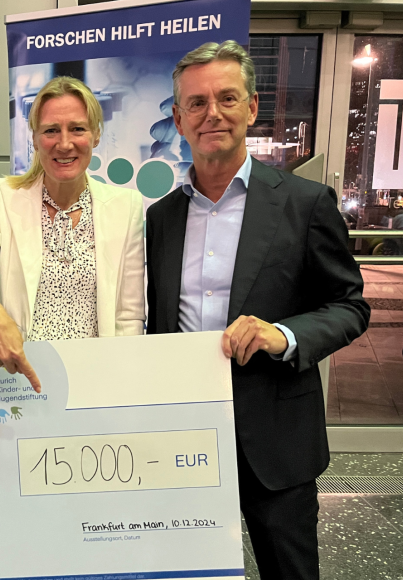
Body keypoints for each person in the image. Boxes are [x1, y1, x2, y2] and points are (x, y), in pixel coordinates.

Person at [145, 41, 370, 579]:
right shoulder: (160, 218)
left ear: (250, 108)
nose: (212, 113)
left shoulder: (304, 203)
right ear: (178, 120)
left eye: (227, 98)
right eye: (196, 103)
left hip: (277, 440)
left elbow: (349, 306)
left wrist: (283, 335)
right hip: (184, 439)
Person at [0, 76, 145, 389]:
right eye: (51, 130)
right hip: (22, 383)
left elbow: (128, 317)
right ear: (35, 139)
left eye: (77, 129)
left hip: (96, 382)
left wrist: (121, 387)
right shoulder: (2, 197)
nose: (64, 144)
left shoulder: (126, 206)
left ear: (96, 135)